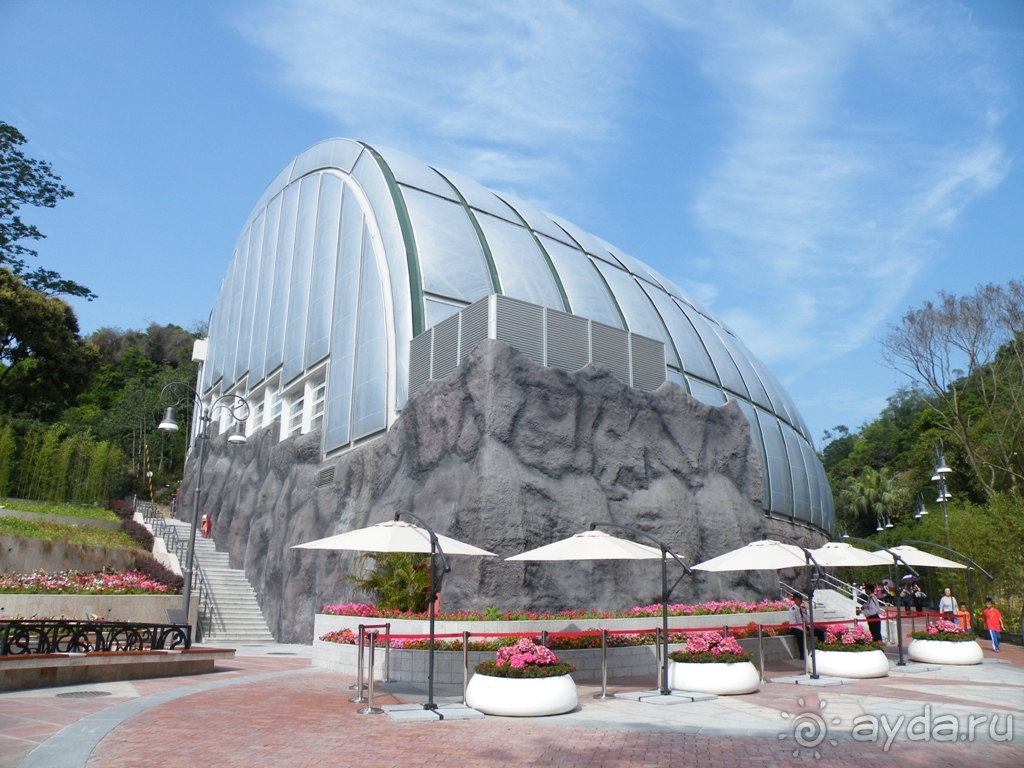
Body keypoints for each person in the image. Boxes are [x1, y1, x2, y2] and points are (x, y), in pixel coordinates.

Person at [786, 593, 825, 660]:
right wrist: (804, 630)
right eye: (799, 599)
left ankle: (820, 650)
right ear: (795, 599)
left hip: (804, 627)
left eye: (801, 599)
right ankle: (802, 654)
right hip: (795, 628)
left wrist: (809, 629)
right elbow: (793, 623)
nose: (801, 600)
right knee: (800, 634)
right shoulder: (792, 610)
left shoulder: (803, 609)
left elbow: (808, 620)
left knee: (820, 632)